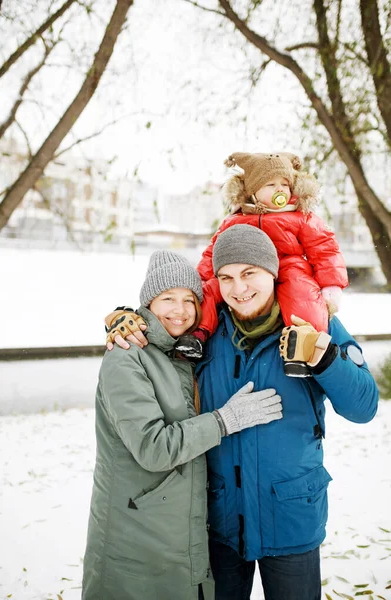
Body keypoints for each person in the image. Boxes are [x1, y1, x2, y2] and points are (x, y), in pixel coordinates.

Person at [107, 226, 378, 600]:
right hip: (220, 524)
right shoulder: (206, 332)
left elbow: (364, 407)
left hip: (291, 519)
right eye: (226, 277)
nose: (239, 288)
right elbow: (161, 323)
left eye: (249, 273)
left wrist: (325, 358)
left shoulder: (313, 321)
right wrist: (124, 319)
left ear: (272, 272)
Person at [82, 249, 283, 600]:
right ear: (148, 304)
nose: (180, 310)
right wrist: (225, 421)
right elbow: (153, 448)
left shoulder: (184, 352)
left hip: (178, 527)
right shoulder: (127, 356)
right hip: (136, 529)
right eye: (168, 299)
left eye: (189, 300)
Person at [176, 152, 348, 375]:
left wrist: (331, 285)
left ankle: (303, 344)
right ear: (252, 191)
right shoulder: (236, 218)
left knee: (302, 292)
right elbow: (214, 252)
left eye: (285, 184)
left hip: (287, 264)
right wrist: (200, 279)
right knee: (210, 290)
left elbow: (325, 249)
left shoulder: (300, 217)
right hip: (243, 267)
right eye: (271, 184)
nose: (280, 190)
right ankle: (196, 335)